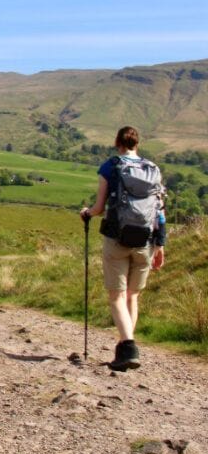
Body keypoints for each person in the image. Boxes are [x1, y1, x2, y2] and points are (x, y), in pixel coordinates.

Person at [79, 126, 166, 371]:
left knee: (116, 296)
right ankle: (125, 347)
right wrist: (160, 246)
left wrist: (86, 213)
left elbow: (98, 207)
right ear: (137, 143)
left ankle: (128, 346)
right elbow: (159, 212)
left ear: (118, 142)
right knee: (132, 296)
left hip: (117, 240)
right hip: (146, 241)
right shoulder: (152, 169)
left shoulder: (111, 166)